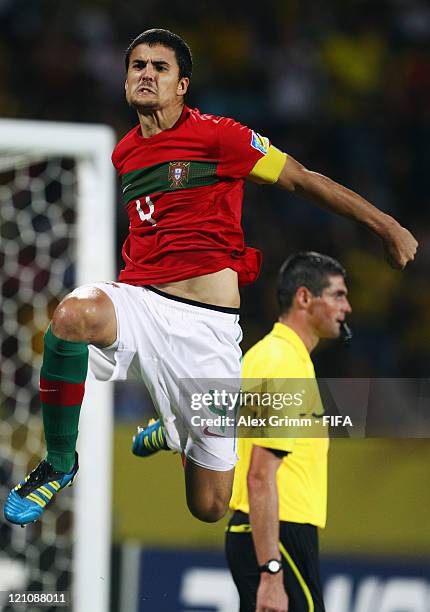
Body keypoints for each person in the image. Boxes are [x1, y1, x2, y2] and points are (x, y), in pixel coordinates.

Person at [3, 28, 416, 527]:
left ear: (183, 85)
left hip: (206, 331)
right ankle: (59, 462)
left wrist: (386, 226)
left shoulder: (221, 136)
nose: (147, 75)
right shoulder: (125, 153)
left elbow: (301, 179)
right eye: (138, 66)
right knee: (71, 316)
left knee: (209, 506)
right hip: (141, 302)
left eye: (160, 67)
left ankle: (175, 429)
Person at [225, 252, 351, 612]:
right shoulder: (283, 364)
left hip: (268, 534)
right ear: (305, 298)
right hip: (277, 536)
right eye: (338, 295)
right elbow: (260, 476)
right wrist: (272, 572)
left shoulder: (267, 356)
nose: (348, 307)